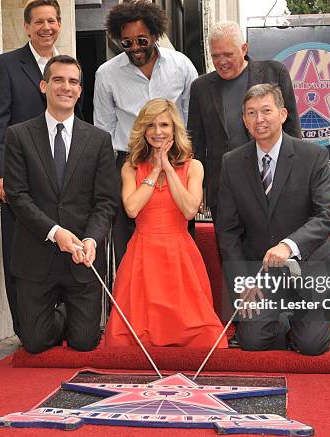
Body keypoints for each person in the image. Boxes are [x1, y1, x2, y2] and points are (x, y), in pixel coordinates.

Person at [216, 83, 330, 355]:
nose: (259, 119)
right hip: (263, 273)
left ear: (283, 114)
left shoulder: (313, 156)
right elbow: (228, 231)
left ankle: (305, 321)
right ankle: (282, 321)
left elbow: (328, 214)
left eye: (266, 111)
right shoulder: (232, 163)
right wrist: (243, 280)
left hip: (308, 267)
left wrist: (289, 246)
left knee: (311, 345)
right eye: (251, 113)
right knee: (251, 342)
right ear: (244, 119)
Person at [3, 55, 118, 354]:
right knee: (36, 342)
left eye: (73, 81)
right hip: (36, 256)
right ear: (43, 86)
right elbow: (18, 195)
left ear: (80, 90)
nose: (66, 87)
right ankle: (52, 316)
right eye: (58, 80)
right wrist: (55, 232)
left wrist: (92, 238)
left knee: (84, 342)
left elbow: (106, 200)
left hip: (82, 260)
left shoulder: (99, 140)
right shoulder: (18, 135)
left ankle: (72, 312)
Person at [0, 0, 81, 337]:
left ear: (60, 25)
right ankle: (26, 330)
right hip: (19, 179)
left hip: (60, 180)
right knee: (20, 252)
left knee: (65, 248)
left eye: (52, 21)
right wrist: (0, 175)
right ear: (26, 26)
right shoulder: (6, 65)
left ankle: (65, 323)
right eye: (38, 21)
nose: (46, 27)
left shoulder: (67, 68)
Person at [104, 99, 227, 348]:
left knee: (203, 339)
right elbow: (132, 208)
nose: (158, 131)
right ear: (143, 130)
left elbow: (190, 209)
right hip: (142, 252)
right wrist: (153, 171)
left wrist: (168, 169)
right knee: (123, 342)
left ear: (174, 129)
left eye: (164, 125)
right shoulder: (130, 167)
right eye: (151, 125)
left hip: (179, 253)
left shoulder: (194, 167)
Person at [94, 0, 198, 267]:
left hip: (175, 162)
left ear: (154, 34)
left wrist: (182, 162)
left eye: (141, 39)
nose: (135, 48)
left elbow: (191, 117)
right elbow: (103, 130)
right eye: (126, 42)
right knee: (129, 251)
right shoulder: (106, 74)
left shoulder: (182, 66)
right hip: (129, 163)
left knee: (178, 244)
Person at [188, 21, 301, 221]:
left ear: (244, 49)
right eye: (215, 55)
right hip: (223, 188)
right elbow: (196, 143)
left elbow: (292, 129)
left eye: (228, 54)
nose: (222, 61)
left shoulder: (274, 73)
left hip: (271, 183)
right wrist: (196, 188)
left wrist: (296, 180)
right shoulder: (200, 88)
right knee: (230, 247)